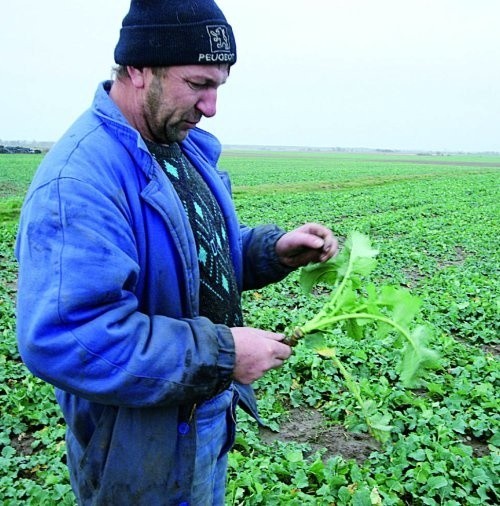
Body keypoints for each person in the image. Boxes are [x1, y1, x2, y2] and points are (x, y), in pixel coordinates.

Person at [15, 1, 338, 504]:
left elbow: (194, 254)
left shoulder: (176, 144)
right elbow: (68, 335)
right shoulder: (79, 180)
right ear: (140, 69)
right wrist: (223, 354)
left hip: (198, 415)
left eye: (218, 87)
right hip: (136, 443)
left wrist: (272, 251)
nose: (211, 107)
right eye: (198, 84)